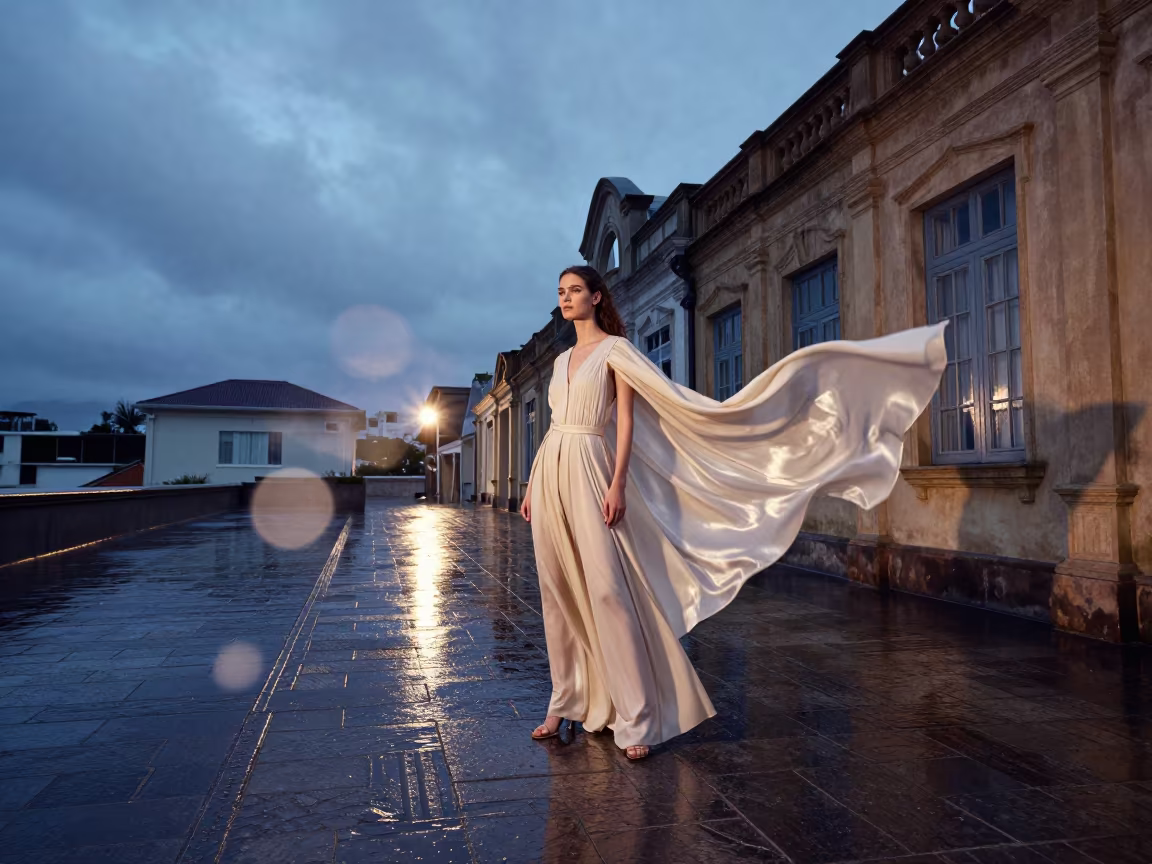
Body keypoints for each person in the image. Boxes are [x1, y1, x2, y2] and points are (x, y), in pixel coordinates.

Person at [520, 265, 946, 761]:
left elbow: (628, 421)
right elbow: (554, 426)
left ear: (596, 297)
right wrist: (532, 482)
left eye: (575, 291)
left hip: (592, 471)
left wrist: (618, 484)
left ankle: (636, 717)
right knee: (557, 590)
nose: (567, 298)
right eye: (561, 292)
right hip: (551, 471)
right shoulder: (561, 361)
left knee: (609, 591)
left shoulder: (617, 351)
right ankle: (563, 702)